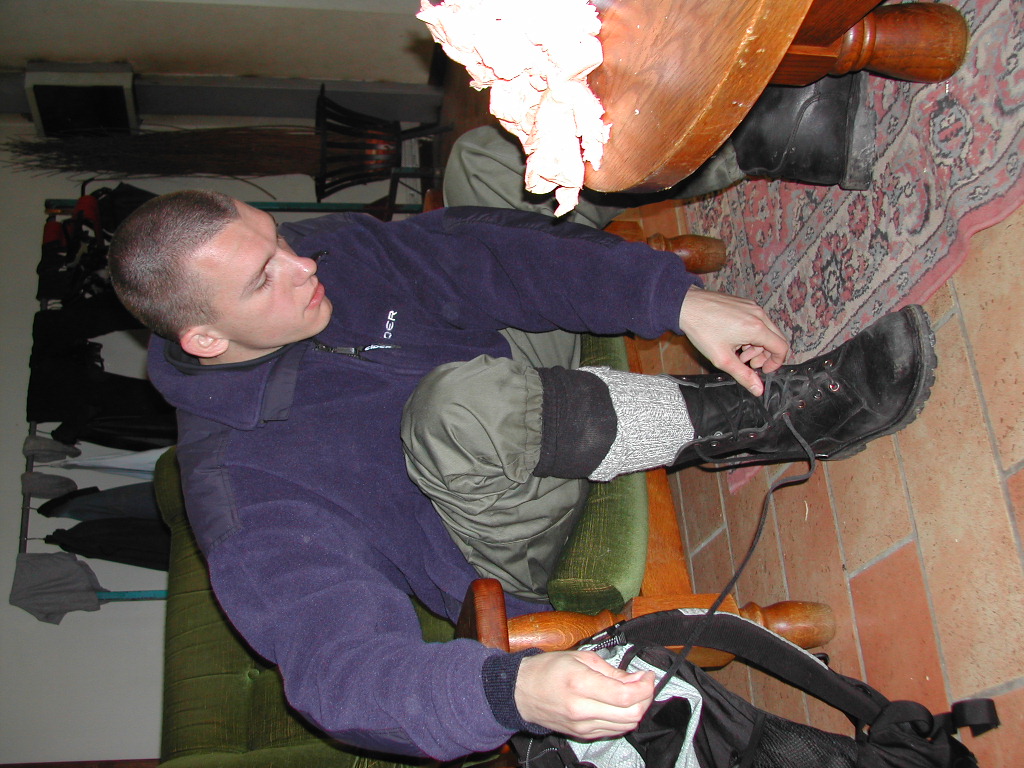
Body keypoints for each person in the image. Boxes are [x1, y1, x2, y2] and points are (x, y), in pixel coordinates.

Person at [106, 125, 935, 761]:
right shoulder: (245, 491)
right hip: (499, 528)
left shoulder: (319, 260)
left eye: (278, 239)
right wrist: (514, 691)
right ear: (205, 339)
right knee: (459, 409)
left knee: (492, 153)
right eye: (266, 278)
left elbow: (477, 253)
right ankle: (764, 416)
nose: (303, 264)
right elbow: (339, 674)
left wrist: (672, 302)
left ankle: (782, 128)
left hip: (510, 379)